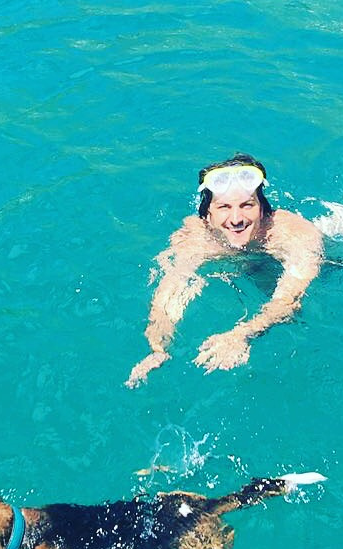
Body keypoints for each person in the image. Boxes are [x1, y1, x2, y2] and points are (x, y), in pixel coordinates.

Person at [126, 154, 323, 387]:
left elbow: (291, 298)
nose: (236, 219)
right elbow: (171, 293)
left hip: (330, 262)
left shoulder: (293, 232)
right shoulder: (197, 236)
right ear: (208, 214)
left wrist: (242, 334)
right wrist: (158, 348)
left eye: (247, 205)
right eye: (224, 207)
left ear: (262, 209)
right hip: (253, 266)